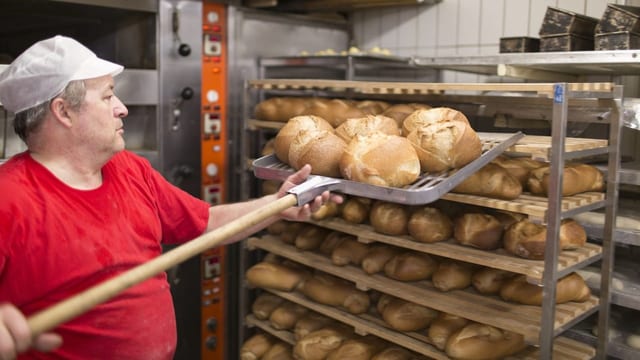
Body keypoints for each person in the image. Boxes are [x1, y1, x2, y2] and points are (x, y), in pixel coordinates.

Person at [0, 35, 341, 359]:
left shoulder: (130, 169)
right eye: (107, 96)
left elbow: (207, 223)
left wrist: (278, 204)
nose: (122, 109)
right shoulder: (9, 199)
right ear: (63, 111)